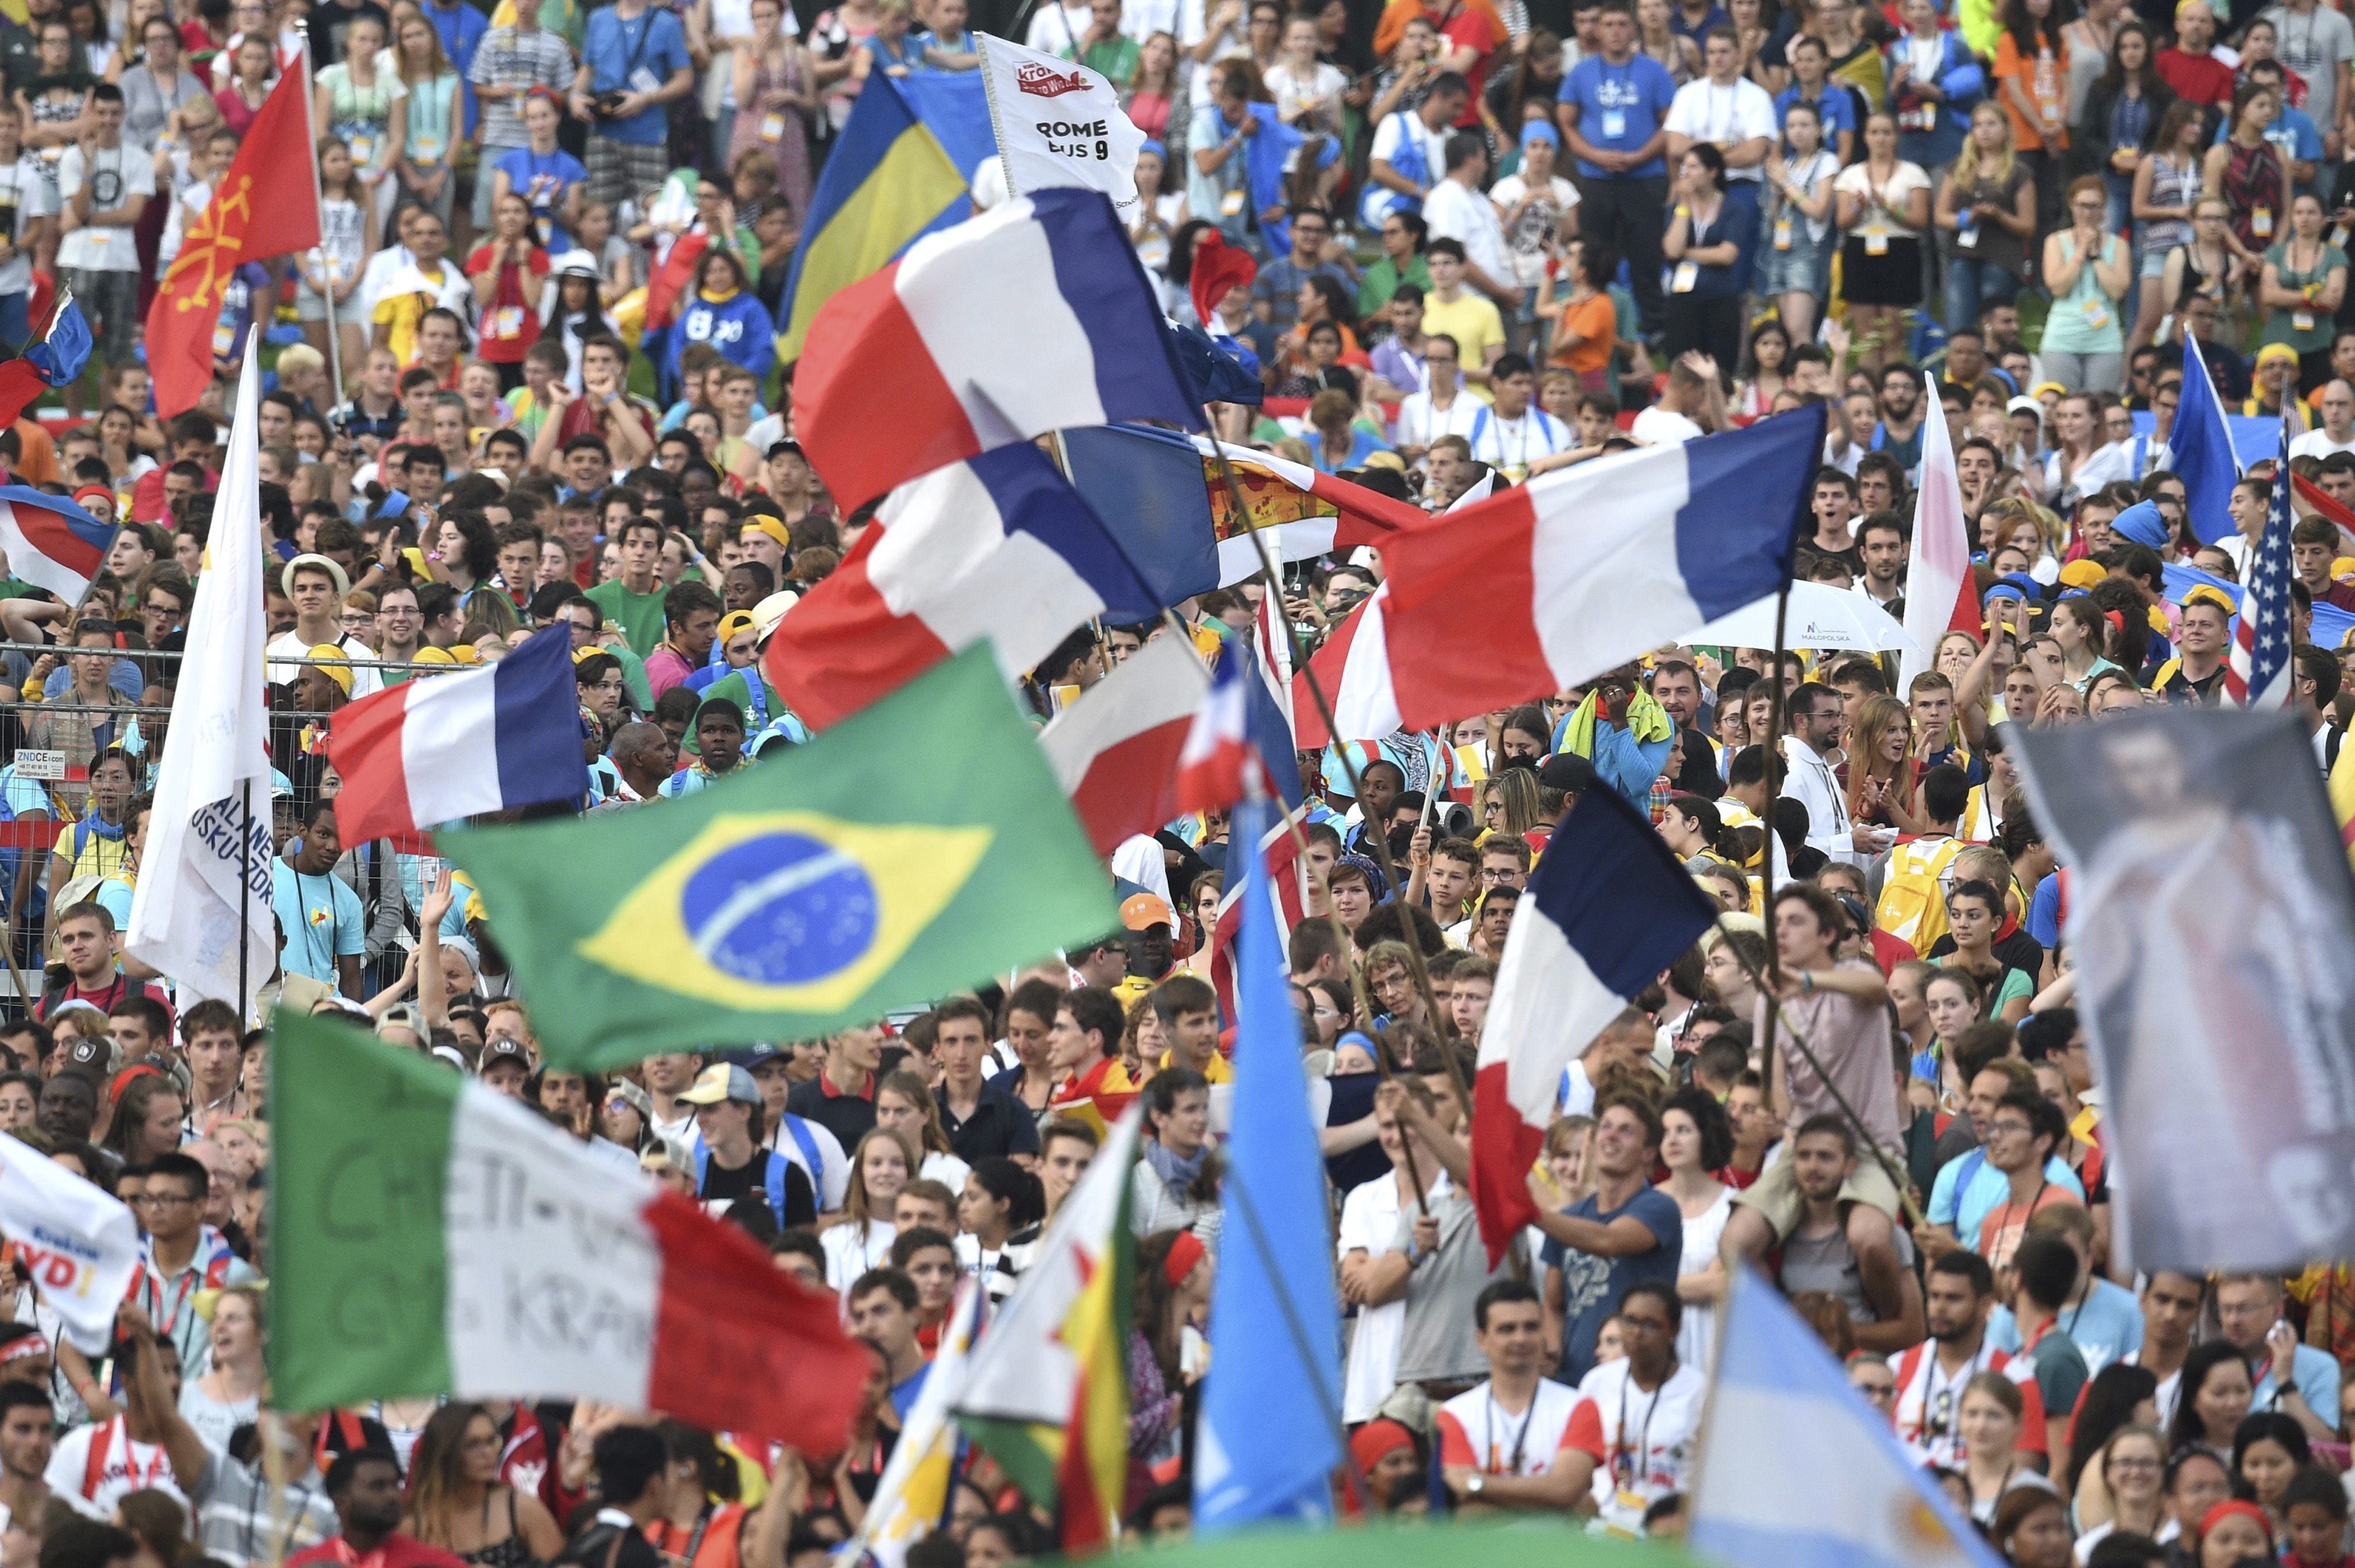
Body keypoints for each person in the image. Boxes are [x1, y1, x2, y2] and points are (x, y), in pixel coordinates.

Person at [1527, 1090, 1682, 1387]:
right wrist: (1554, 1348)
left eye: (1625, 1131)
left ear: (1649, 1152)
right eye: (1606, 1127)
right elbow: (1553, 1302)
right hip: (1572, 1383)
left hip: (1637, 1383)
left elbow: (1608, 1241)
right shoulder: (1569, 1218)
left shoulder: (1659, 1207)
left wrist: (1529, 1212)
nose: (1611, 1136)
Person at [1432, 1280, 1602, 1512]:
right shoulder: (1454, 1414)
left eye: (1531, 1327)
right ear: (1482, 1340)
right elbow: (1465, 1507)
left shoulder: (1579, 1406)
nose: (1521, 1339)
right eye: (1507, 1329)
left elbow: (1566, 1490)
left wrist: (1478, 1484)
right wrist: (1548, 1496)